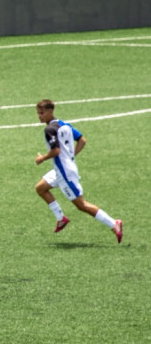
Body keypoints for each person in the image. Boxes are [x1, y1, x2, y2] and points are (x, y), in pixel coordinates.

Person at [34, 100, 122, 243]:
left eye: (42, 113)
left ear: (50, 112)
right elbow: (82, 140)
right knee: (41, 188)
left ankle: (114, 224)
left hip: (64, 172)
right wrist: (71, 156)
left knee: (81, 205)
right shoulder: (64, 124)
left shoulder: (49, 130)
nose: (40, 116)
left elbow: (56, 150)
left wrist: (42, 158)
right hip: (63, 168)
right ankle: (61, 218)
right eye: (38, 113)